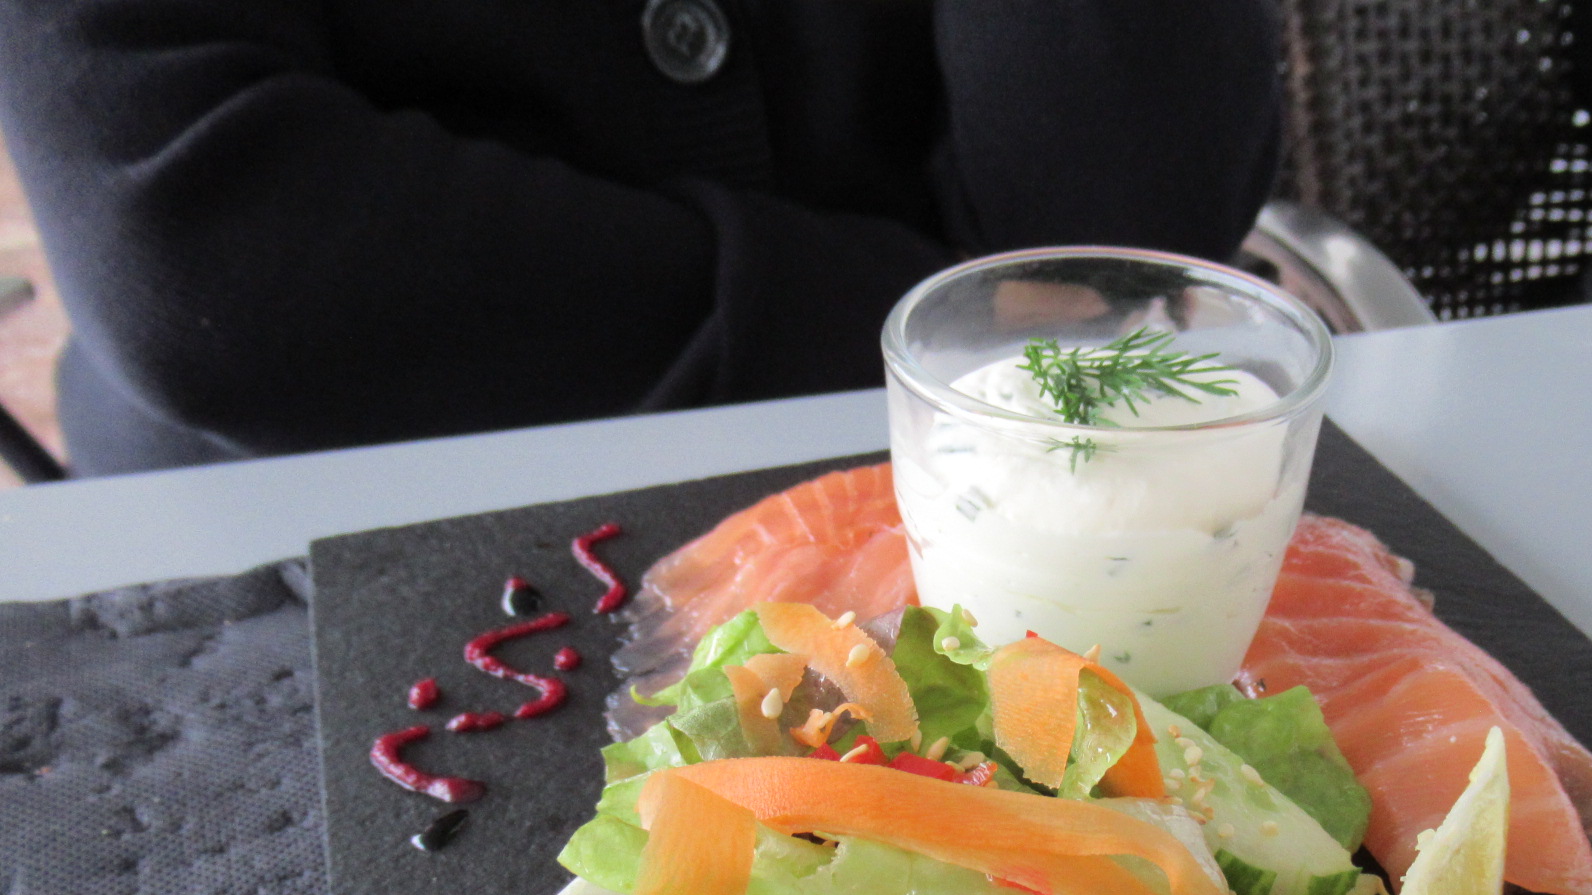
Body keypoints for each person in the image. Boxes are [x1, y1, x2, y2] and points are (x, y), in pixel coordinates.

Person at [0, 0, 1282, 476]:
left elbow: (1116, 222)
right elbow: (206, 248)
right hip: (314, 507)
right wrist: (919, 318)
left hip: (992, 469)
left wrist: (995, 318)